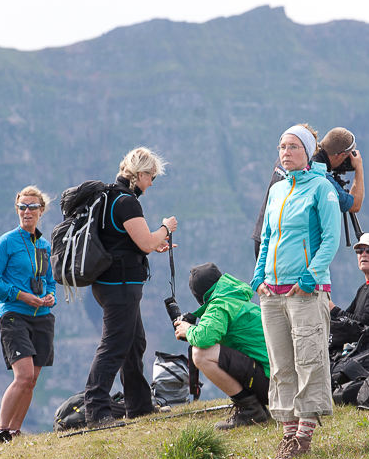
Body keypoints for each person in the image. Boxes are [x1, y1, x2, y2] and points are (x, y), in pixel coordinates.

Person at [252, 124, 341, 459]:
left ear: (307, 151)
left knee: (309, 360)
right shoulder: (277, 191)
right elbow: (268, 238)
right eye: (281, 146)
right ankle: (288, 432)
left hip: (305, 291)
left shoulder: (322, 188)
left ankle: (303, 436)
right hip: (271, 293)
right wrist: (258, 277)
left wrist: (309, 277)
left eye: (292, 146)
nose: (284, 152)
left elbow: (331, 239)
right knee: (280, 363)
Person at [83, 147, 177, 428]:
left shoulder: (109, 197)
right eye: (152, 177)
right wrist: (165, 227)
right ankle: (96, 410)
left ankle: (139, 405)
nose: (151, 184)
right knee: (114, 345)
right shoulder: (126, 202)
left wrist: (151, 243)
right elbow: (146, 242)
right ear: (141, 174)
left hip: (109, 282)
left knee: (134, 343)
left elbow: (126, 241)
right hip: (120, 285)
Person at [0, 186, 58, 444]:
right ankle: (0, 430)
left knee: (33, 379)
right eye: (22, 207)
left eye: (32, 207)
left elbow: (49, 280)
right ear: (17, 210)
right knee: (23, 375)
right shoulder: (6, 242)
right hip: (14, 314)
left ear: (41, 210)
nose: (27, 211)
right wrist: (21, 295)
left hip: (43, 316)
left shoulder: (44, 245)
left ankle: (14, 432)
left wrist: (50, 296)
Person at [173, 263, 271, 431]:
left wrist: (189, 330)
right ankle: (255, 408)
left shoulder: (220, 305)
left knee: (201, 354)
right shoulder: (232, 297)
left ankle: (251, 410)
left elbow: (204, 338)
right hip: (279, 379)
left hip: (271, 383)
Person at [251, 126, 363, 258]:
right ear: (341, 156)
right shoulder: (319, 175)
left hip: (263, 237)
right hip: (286, 247)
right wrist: (359, 168)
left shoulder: (288, 158)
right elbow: (354, 205)